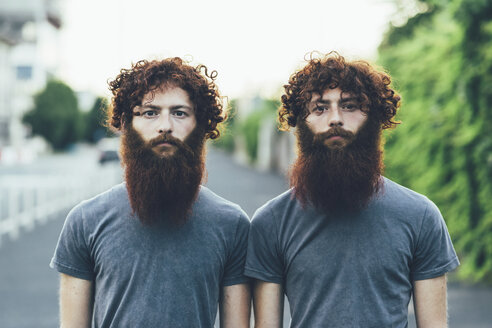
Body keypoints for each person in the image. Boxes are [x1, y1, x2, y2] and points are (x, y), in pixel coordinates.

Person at [245, 52, 459, 328]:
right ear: (301, 122)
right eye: (320, 108)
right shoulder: (271, 222)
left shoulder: (420, 216)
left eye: (350, 106)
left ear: (374, 119)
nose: (335, 119)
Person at [50, 58, 251, 327]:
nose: (165, 125)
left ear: (200, 125)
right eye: (149, 112)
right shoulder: (85, 221)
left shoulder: (232, 224)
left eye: (179, 113)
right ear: (127, 124)